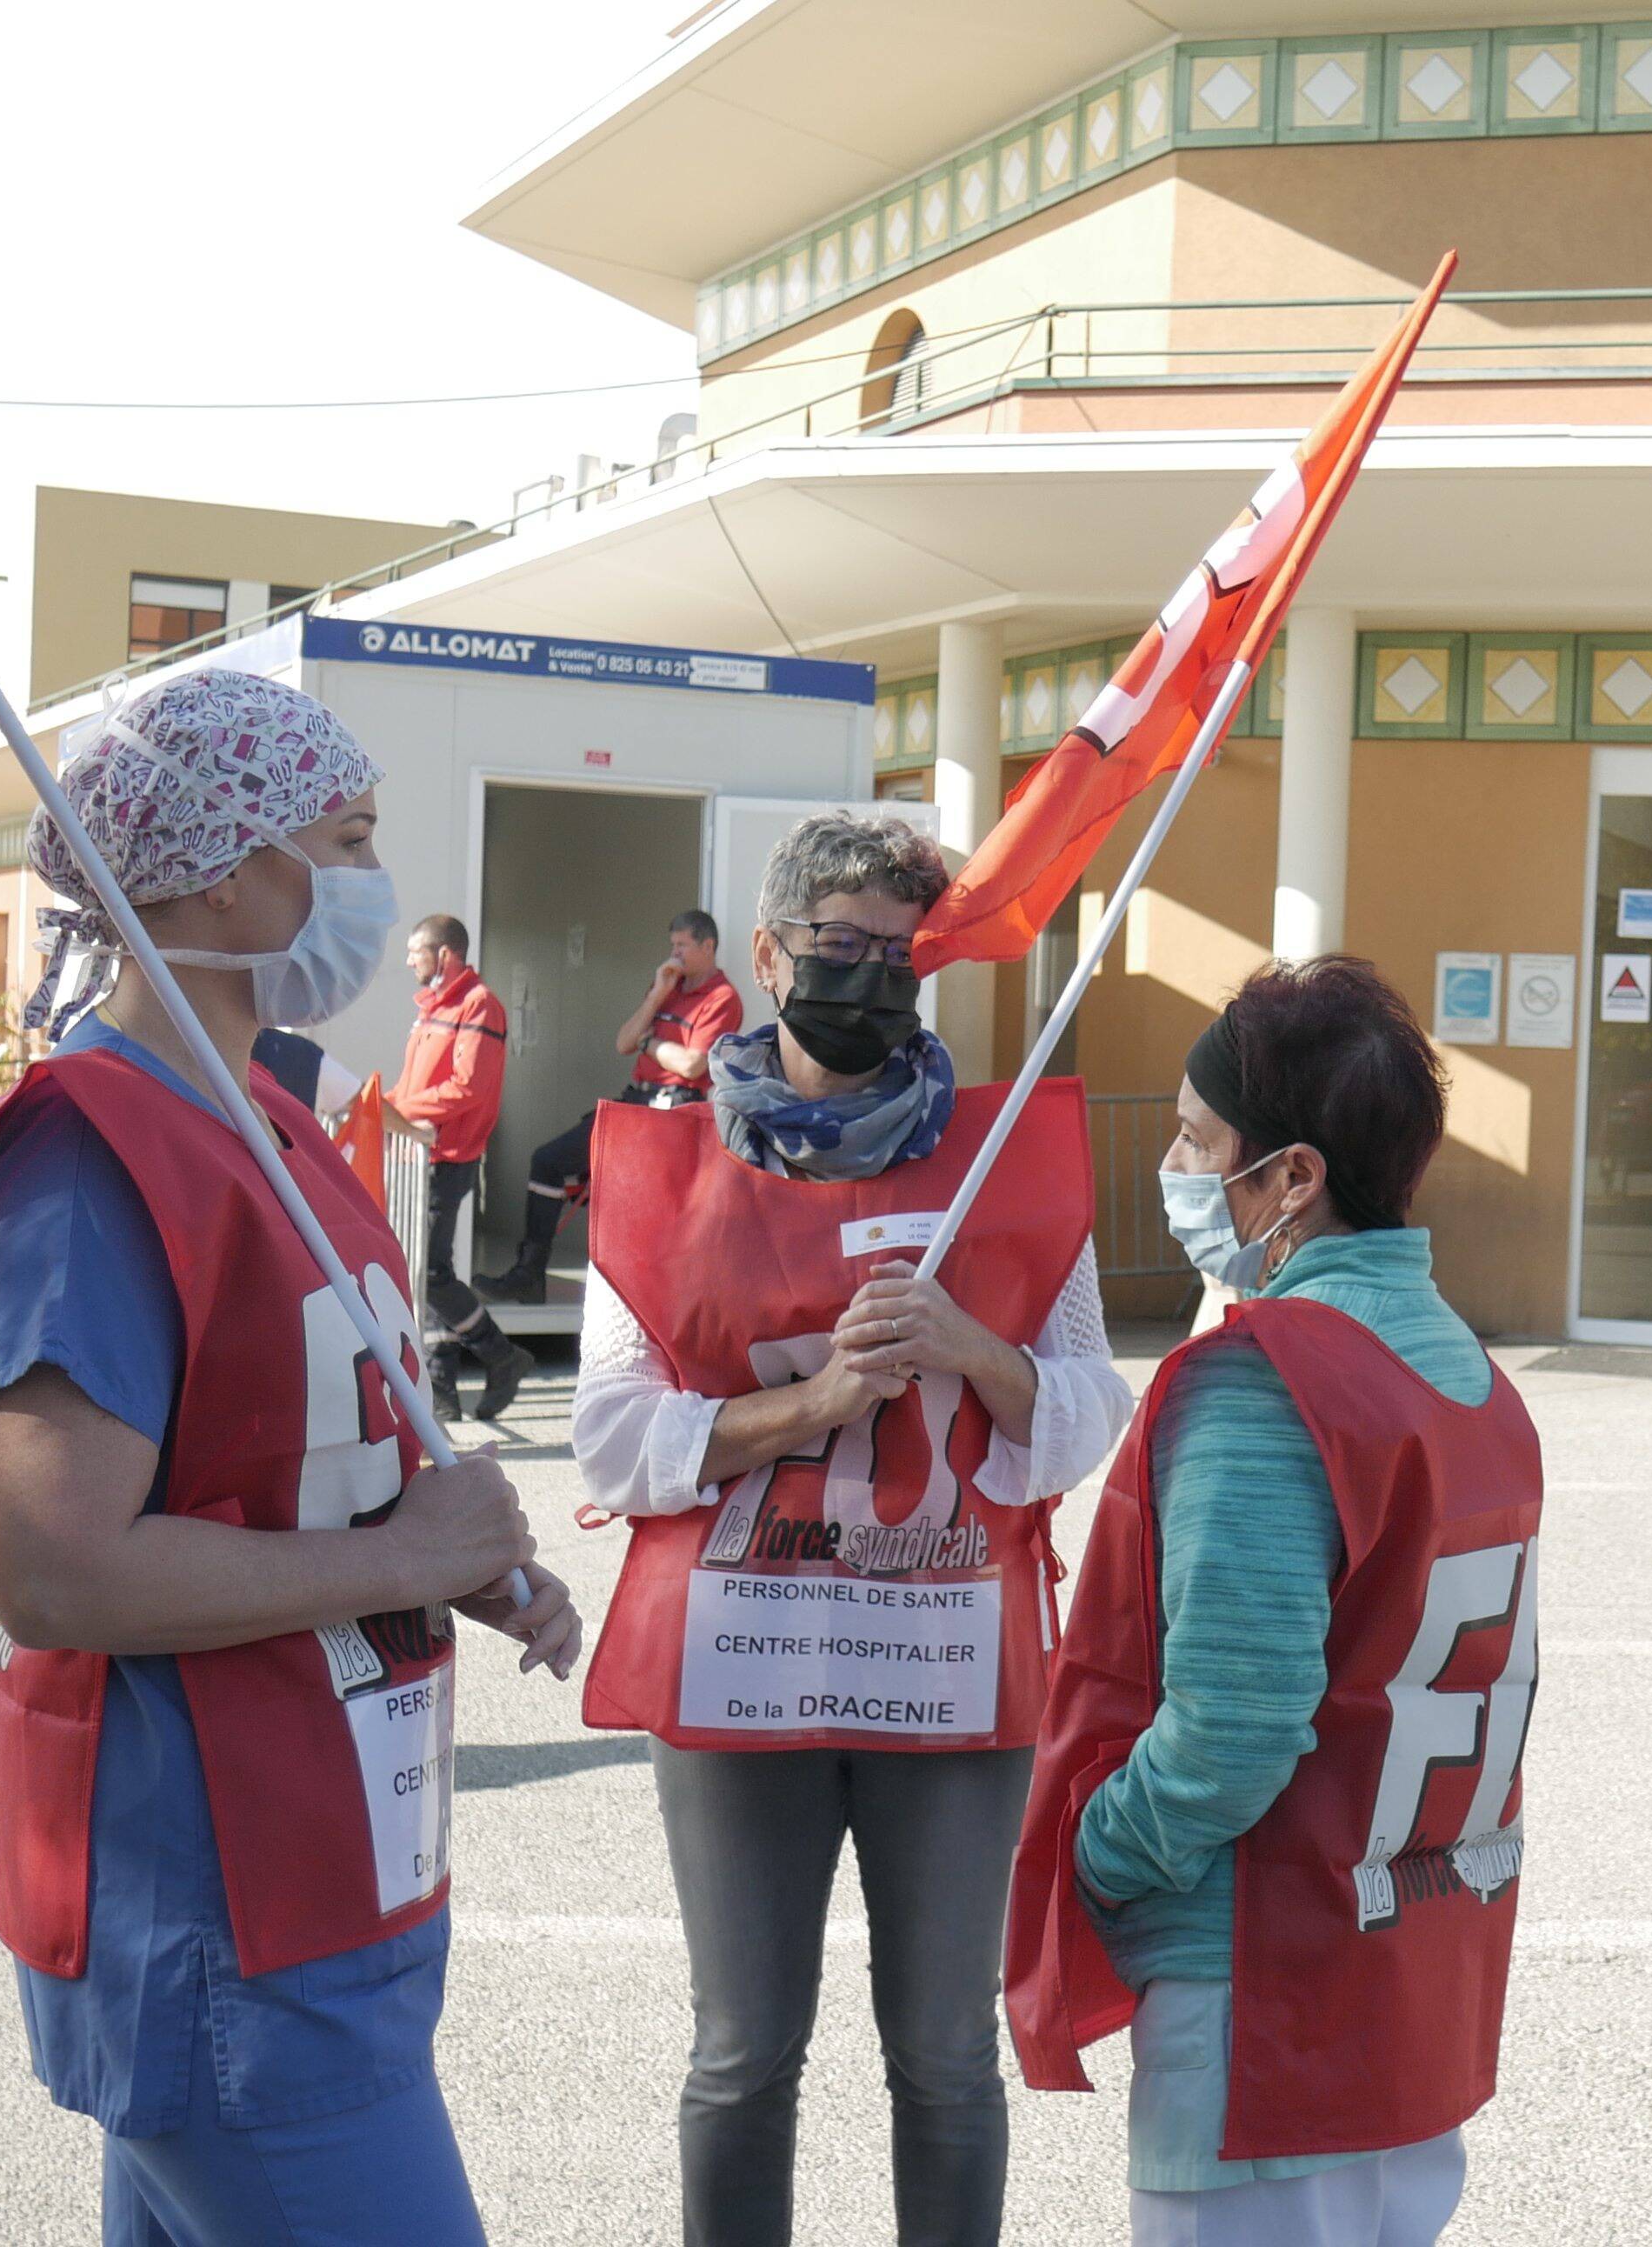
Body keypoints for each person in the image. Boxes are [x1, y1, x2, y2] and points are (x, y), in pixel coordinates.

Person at [0, 668, 584, 2247]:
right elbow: (52, 1558)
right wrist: (397, 1556)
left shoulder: (275, 1118)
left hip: (324, 1861)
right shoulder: (94, 1146)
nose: (374, 883)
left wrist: (453, 1555)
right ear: (227, 866)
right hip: (219, 1895)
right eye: (347, 836)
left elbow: (293, 1446)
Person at [571, 810, 1134, 2247]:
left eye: (901, 951)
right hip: (735, 1646)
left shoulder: (1007, 1153)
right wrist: (806, 1400)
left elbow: (1083, 1409)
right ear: (767, 953)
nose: (873, 975)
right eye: (840, 945)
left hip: (945, 1653)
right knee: (742, 2046)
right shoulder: (659, 1164)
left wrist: (972, 1347)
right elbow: (614, 1439)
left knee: (944, 2050)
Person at [1006, 957, 1545, 2247]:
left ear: (1292, 1175)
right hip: (1413, 1973)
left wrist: (1091, 1859)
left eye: (1200, 1143)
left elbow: (1233, 1729)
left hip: (1266, 1994)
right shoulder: (1467, 1367)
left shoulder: (1267, 1381)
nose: (1180, 1170)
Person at [499, 909, 743, 1306]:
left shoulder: (722, 998)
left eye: (682, 945)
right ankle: (529, 1272)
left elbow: (693, 1064)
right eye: (672, 945)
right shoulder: (668, 986)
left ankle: (643, 1298)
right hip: (635, 1099)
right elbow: (624, 1040)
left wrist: (650, 1044)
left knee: (636, 1202)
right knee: (547, 1160)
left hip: (673, 1110)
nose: (674, 954)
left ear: (707, 946)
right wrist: (657, 996)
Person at [390, 916, 522, 1423]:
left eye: (415, 951)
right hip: (418, 1153)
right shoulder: (434, 1008)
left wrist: (396, 1110)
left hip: (448, 1158)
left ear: (444, 955)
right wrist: (387, 1107)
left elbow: (468, 1087)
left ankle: (500, 1356)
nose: (408, 961)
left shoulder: (479, 1005)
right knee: (425, 1270)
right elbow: (418, 1081)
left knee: (431, 1273)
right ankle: (441, 1390)